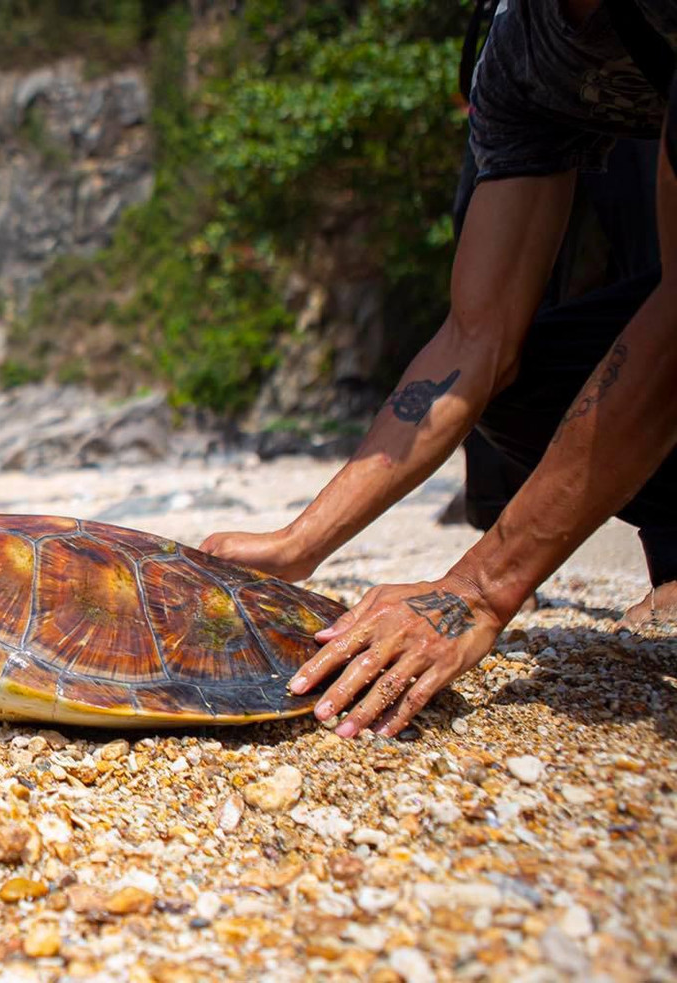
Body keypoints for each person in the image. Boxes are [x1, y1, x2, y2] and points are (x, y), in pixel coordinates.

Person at [200, 0, 677, 740]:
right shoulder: (526, 53)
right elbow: (475, 339)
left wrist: (476, 592)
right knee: (524, 390)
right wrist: (300, 543)